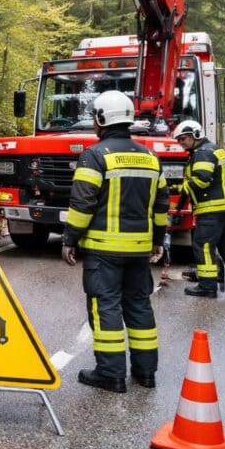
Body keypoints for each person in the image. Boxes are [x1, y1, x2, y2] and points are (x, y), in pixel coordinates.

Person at [61, 90, 168, 393]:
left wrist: (70, 240)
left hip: (104, 251)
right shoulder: (150, 157)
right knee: (139, 306)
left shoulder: (94, 155)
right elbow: (161, 207)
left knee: (105, 306)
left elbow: (82, 204)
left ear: (101, 119)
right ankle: (146, 374)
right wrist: (158, 241)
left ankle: (111, 374)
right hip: (139, 251)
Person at [172, 119, 225, 299]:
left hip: (212, 209)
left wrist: (178, 189)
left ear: (196, 135)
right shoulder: (215, 150)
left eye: (183, 139)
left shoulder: (203, 153)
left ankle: (207, 286)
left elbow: (201, 179)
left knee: (203, 246)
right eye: (179, 140)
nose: (181, 143)